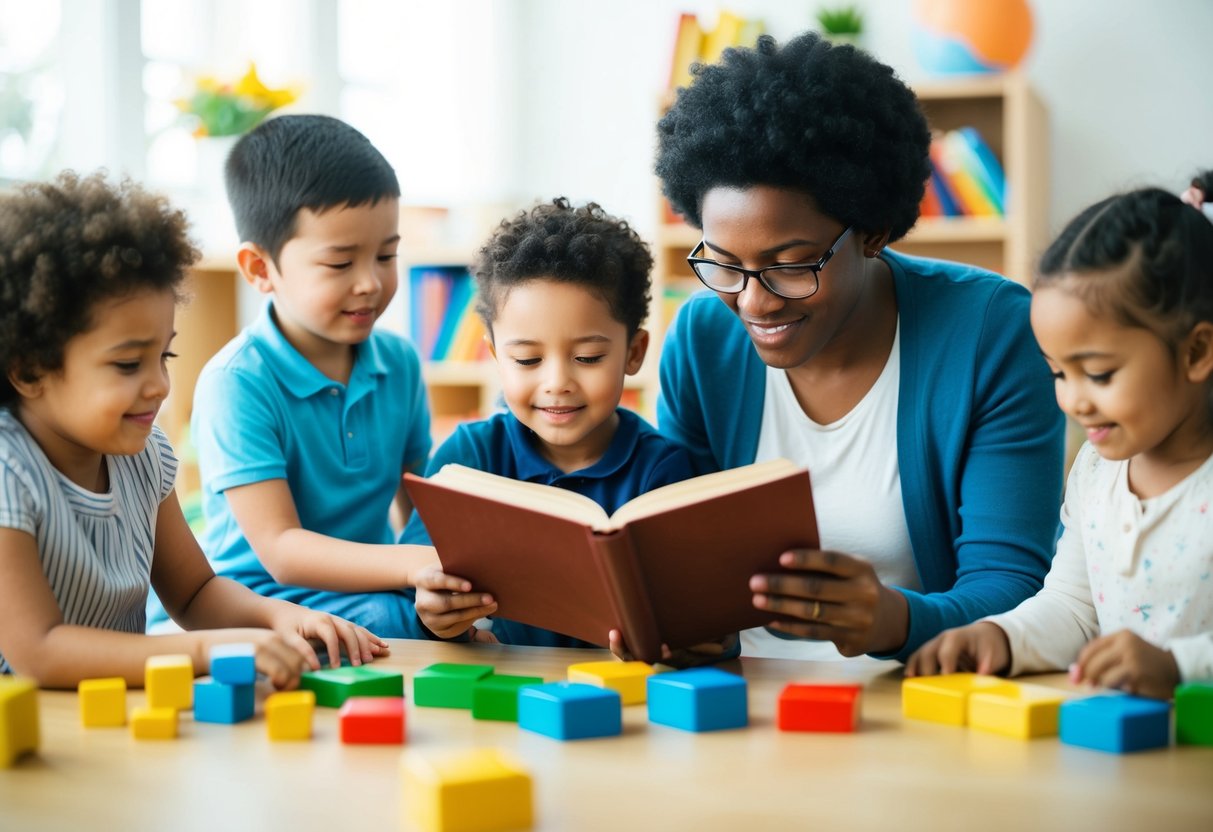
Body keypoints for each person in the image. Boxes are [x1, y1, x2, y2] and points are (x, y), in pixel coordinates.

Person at [654, 32, 1066, 663]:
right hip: (732, 702)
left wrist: (895, 619)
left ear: (871, 232)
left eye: (791, 265)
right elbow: (680, 557)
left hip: (915, 707)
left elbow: (1018, 590)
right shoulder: (701, 342)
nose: (754, 302)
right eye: (726, 265)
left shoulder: (991, 331)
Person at [0, 171, 386, 689]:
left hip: (118, 717)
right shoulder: (10, 473)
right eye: (126, 365)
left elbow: (195, 592)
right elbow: (39, 652)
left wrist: (277, 617)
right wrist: (210, 648)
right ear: (28, 370)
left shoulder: (143, 455)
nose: (160, 385)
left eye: (164, 355)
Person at [906, 179, 1213, 699]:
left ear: (1195, 352)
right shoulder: (1097, 470)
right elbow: (1073, 607)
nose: (1073, 400)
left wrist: (1176, 665)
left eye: (1098, 374)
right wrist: (1000, 637)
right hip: (1125, 753)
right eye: (1058, 374)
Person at [185, 115, 462, 639]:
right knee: (396, 623)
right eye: (339, 264)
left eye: (386, 255)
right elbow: (282, 550)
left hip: (373, 586)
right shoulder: (237, 382)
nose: (370, 283)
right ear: (260, 269)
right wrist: (413, 566)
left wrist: (450, 576)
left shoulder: (398, 362)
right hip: (261, 603)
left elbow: (422, 503)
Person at [404, 198, 697, 650]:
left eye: (588, 358)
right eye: (528, 359)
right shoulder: (467, 460)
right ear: (497, 355)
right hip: (499, 690)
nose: (557, 383)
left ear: (634, 353)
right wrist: (436, 615)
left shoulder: (665, 471)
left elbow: (699, 619)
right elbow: (421, 596)